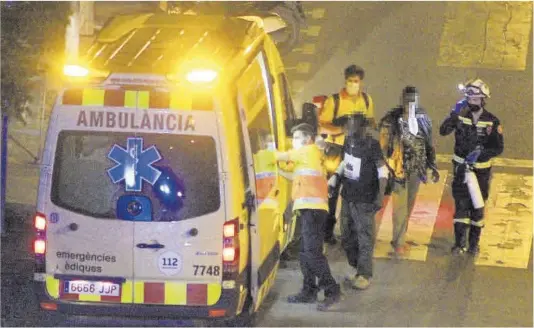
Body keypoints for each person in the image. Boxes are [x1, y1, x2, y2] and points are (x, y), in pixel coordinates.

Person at [276, 123, 341, 311]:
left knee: (312, 253)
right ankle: (309, 290)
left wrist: (263, 156)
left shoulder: (308, 151)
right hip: (309, 210)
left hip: (313, 210)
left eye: (296, 137)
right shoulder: (308, 158)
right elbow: (293, 175)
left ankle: (332, 289)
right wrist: (277, 170)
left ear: (308, 139)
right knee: (305, 253)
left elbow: (281, 156)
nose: (293, 141)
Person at [439, 78, 504, 255]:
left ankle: (474, 244)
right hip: (460, 169)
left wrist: (481, 154)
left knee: (477, 207)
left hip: (481, 172)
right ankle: (459, 243)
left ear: (483, 100)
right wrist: (453, 114)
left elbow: (498, 148)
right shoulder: (460, 116)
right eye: (469, 99)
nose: (472, 103)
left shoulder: (492, 121)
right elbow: (443, 131)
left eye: (476, 100)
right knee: (461, 206)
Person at [378, 86, 440, 257]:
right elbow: (383, 146)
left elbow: (428, 143)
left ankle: (399, 237)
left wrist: (431, 166)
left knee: (409, 205)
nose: (411, 103)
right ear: (402, 100)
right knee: (400, 208)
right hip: (399, 171)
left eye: (414, 99)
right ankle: (398, 242)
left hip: (416, 170)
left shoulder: (422, 118)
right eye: (408, 99)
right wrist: (390, 167)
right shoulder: (391, 120)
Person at [317, 64, 376, 245]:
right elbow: (322, 125)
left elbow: (371, 122)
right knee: (331, 193)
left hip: (355, 153)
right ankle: (327, 232)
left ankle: (350, 233)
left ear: (361, 82)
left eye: (356, 81)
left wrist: (364, 127)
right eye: (350, 81)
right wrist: (341, 128)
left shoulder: (366, 100)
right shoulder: (334, 101)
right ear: (345, 81)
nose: (353, 84)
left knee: (354, 193)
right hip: (336, 151)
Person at [328, 113, 388, 290]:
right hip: (348, 196)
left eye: (352, 125)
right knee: (346, 235)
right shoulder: (348, 142)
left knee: (365, 238)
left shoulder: (371, 145)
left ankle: (364, 274)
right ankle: (356, 265)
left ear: (362, 128)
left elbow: (383, 172)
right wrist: (335, 179)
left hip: (365, 199)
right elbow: (345, 162)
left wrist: (379, 196)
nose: (348, 129)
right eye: (348, 125)